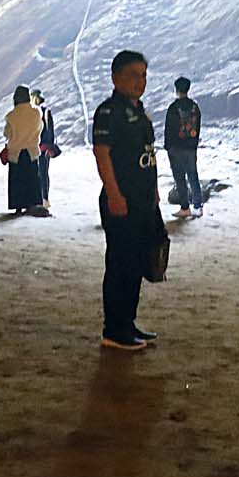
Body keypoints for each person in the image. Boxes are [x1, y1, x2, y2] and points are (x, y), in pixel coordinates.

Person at [93, 50, 161, 352]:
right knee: (120, 264)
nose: (140, 81)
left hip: (143, 199)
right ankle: (114, 330)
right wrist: (114, 193)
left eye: (144, 75)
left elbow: (149, 155)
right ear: (115, 77)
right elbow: (102, 153)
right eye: (134, 75)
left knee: (135, 264)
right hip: (122, 199)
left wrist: (155, 191)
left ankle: (128, 324)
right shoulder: (109, 112)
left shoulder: (140, 111)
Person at [4, 85, 47, 216]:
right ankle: (32, 204)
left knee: (17, 180)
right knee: (32, 179)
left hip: (15, 153)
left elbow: (7, 133)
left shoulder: (11, 116)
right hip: (32, 151)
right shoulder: (36, 112)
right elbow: (40, 128)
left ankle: (18, 206)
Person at [164, 76, 203, 218]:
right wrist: (194, 144)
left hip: (176, 148)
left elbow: (168, 129)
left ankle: (185, 207)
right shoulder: (194, 107)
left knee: (180, 178)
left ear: (176, 90)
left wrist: (168, 146)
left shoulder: (173, 108)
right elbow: (197, 127)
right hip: (191, 148)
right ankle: (198, 206)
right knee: (193, 175)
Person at [33, 88, 59, 210]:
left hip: (41, 148)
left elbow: (50, 132)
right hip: (40, 147)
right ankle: (41, 198)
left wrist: (49, 146)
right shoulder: (42, 112)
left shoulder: (44, 112)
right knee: (40, 173)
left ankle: (44, 198)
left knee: (42, 173)